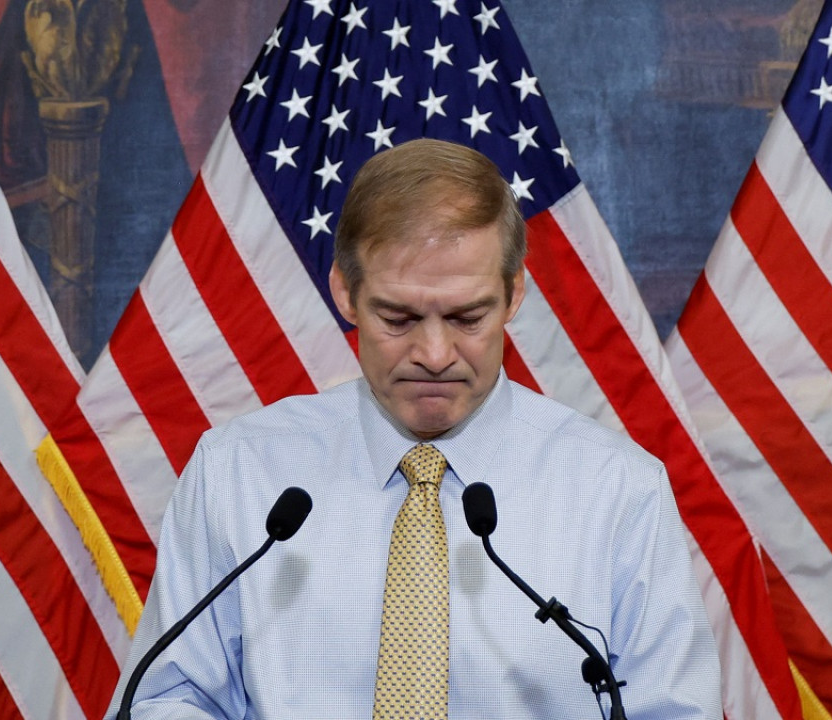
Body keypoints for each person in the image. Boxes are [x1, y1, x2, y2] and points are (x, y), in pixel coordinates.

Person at [106, 139, 721, 719]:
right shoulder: (236, 471)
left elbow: (673, 709)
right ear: (346, 294)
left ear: (514, 295)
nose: (433, 352)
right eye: (397, 317)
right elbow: (165, 698)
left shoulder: (617, 488)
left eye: (466, 316)